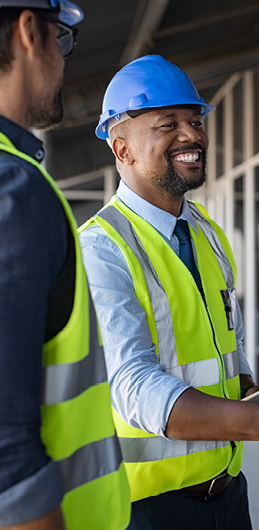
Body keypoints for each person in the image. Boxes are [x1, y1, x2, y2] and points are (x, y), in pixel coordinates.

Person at [79, 54, 259, 530]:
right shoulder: (102, 248)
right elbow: (135, 389)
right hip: (147, 512)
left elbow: (228, 354)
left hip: (227, 496)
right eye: (168, 124)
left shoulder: (207, 234)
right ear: (123, 150)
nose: (192, 135)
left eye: (195, 120)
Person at [0, 1, 130, 530]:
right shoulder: (15, 192)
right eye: (63, 38)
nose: (63, 58)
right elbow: (7, 460)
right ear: (31, 31)